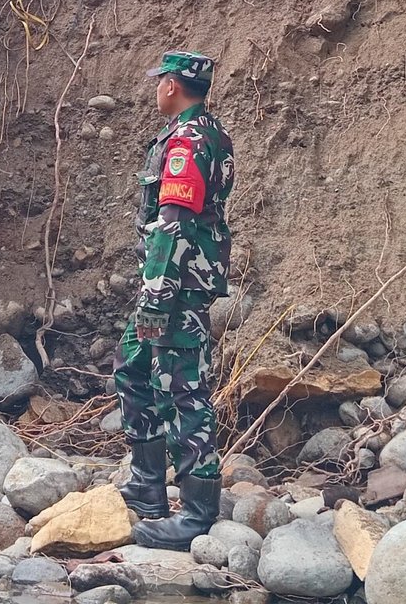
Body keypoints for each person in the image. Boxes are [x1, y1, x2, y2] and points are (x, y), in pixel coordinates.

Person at [114, 51, 235, 549]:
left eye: (160, 80)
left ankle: (197, 516)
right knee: (134, 364)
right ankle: (147, 488)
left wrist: (157, 296)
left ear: (172, 86)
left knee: (183, 390)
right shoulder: (206, 132)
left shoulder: (188, 141)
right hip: (173, 284)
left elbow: (173, 224)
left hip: (177, 287)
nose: (156, 88)